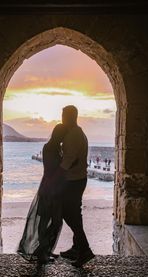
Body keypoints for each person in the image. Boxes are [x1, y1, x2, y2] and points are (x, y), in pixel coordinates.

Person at [17, 123, 68, 265]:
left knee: (56, 220)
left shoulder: (57, 148)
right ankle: (42, 252)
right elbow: (51, 168)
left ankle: (44, 249)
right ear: (59, 134)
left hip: (54, 187)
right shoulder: (49, 148)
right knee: (45, 219)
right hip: (50, 187)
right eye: (63, 134)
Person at [59, 105, 95, 267]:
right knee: (75, 213)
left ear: (71, 117)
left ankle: (85, 249)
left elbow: (70, 160)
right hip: (78, 178)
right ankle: (76, 247)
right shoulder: (78, 133)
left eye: (64, 115)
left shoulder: (73, 135)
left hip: (73, 180)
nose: (62, 118)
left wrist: (56, 175)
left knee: (68, 213)